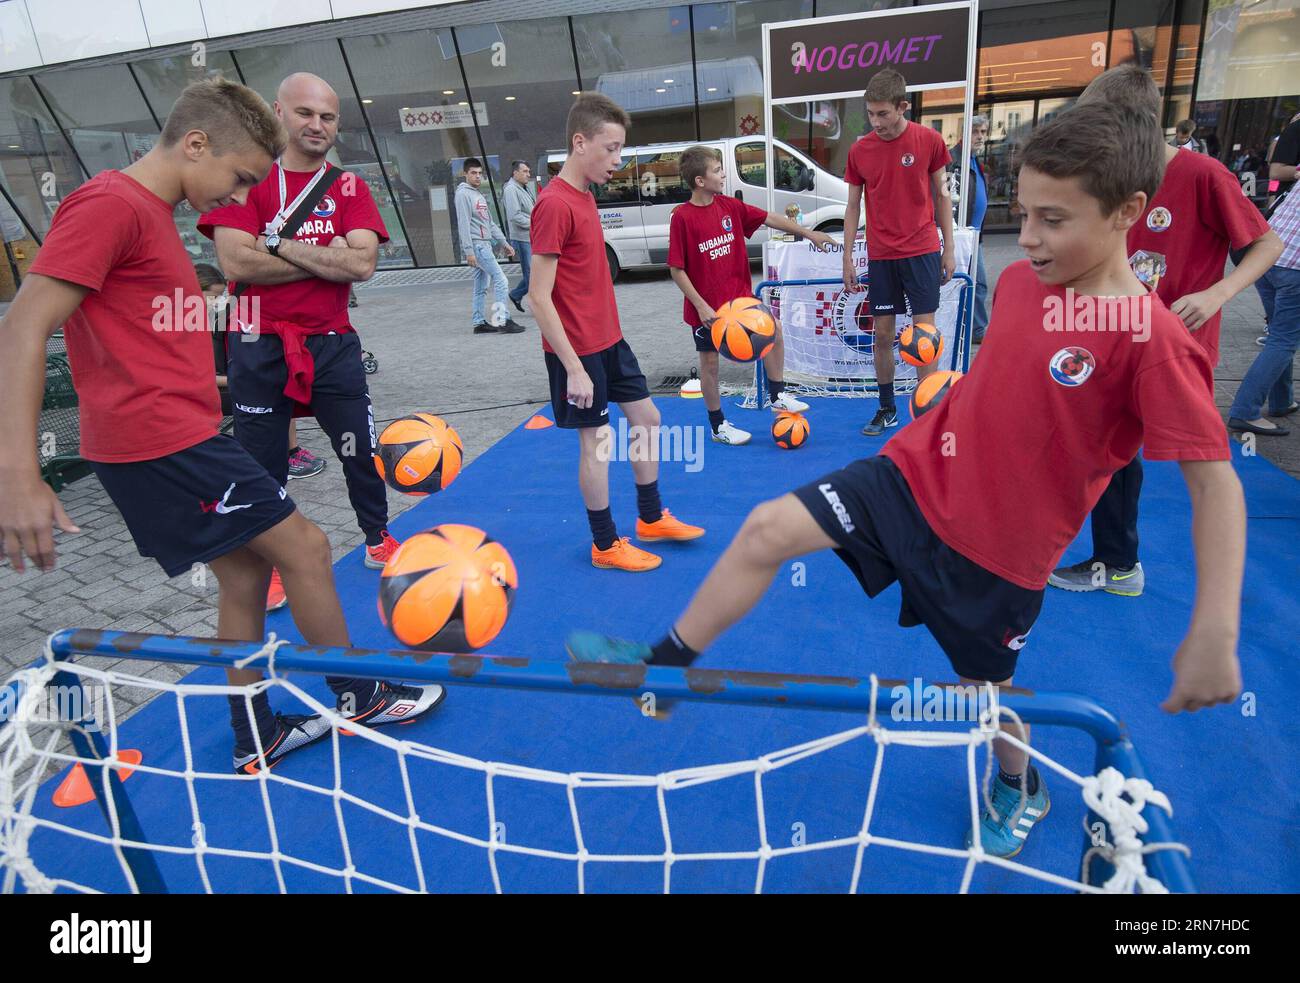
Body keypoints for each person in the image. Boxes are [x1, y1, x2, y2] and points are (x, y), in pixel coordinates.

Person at [568, 101, 1245, 858]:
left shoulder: (1152, 340)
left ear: (1129, 213)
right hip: (910, 480)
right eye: (1022, 214)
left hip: (1000, 553)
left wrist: (1215, 626)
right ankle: (663, 669)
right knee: (765, 529)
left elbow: (1216, 483)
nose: (1025, 238)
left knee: (988, 702)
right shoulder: (1021, 284)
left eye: (1053, 220)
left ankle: (1016, 782)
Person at [0, 78, 443, 776]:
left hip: (178, 430)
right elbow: (23, 326)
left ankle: (255, 732)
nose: (238, 200)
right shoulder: (109, 204)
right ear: (196, 143)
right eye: (238, 179)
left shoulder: (144, 210)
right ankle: (357, 693)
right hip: (162, 443)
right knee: (308, 547)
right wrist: (18, 473)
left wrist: (222, 384)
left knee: (244, 577)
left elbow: (134, 342)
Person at [1048, 65, 1281, 597]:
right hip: (1113, 334)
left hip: (1173, 345)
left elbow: (1267, 244)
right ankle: (1113, 557)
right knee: (1104, 443)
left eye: (1104, 127)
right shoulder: (1114, 173)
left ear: (1137, 124)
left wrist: (1217, 292)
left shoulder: (1203, 175)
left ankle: (1120, 562)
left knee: (1134, 449)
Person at [200, 72, 401, 613]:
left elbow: (362, 262)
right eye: (306, 113)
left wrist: (274, 242)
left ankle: (378, 539)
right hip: (258, 344)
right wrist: (322, 259)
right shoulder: (243, 179)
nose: (317, 125)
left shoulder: (350, 187)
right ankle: (267, 567)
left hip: (333, 343)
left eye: (328, 116)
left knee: (359, 449)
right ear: (279, 113)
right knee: (263, 463)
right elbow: (236, 262)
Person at [529, 93, 705, 572]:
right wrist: (573, 370)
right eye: (611, 148)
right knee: (597, 442)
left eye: (621, 148)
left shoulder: (584, 195)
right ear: (580, 142)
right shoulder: (553, 204)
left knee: (647, 421)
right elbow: (537, 298)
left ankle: (650, 518)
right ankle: (605, 544)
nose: (618, 159)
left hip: (610, 341)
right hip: (577, 353)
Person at [668, 145, 835, 445]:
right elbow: (677, 270)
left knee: (776, 332)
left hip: (742, 302)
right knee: (709, 366)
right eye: (717, 170)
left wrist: (809, 233)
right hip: (708, 311)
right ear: (700, 181)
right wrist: (701, 306)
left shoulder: (730, 206)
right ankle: (718, 426)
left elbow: (770, 218)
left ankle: (777, 395)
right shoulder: (682, 217)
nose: (723, 174)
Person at [840, 69, 955, 436]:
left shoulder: (929, 140)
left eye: (883, 114)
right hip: (881, 255)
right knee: (882, 336)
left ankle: (930, 412)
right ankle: (887, 408)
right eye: (871, 114)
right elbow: (853, 207)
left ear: (903, 106)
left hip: (922, 251)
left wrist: (948, 248)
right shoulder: (860, 150)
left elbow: (942, 197)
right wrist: (847, 257)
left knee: (925, 336)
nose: (877, 122)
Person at [195, 262, 324, 479]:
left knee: (278, 379)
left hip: (224, 381)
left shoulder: (215, 315)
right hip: (211, 390)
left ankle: (288, 452)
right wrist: (238, 378)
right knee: (272, 386)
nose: (218, 301)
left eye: (221, 295)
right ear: (195, 290)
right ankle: (286, 455)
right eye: (214, 296)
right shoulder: (185, 321)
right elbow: (200, 377)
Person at [1228, 187, 1300, 434]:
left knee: (1279, 335)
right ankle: (1245, 411)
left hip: (1267, 259)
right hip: (1295, 269)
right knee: (1283, 339)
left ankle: (1282, 400)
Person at [457, 158, 524, 334]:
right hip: (478, 246)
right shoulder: (463, 194)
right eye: (473, 173)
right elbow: (463, 224)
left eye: (480, 173)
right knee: (501, 280)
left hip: (483, 245)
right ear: (465, 174)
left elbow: (490, 223)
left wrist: (504, 243)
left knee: (481, 287)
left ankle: (479, 323)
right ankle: (502, 320)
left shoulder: (477, 194)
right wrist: (469, 252)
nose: (478, 176)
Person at [947, 114, 990, 342]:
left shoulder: (974, 161)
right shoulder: (955, 160)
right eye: (976, 132)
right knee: (970, 282)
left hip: (975, 235)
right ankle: (973, 329)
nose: (980, 137)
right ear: (965, 133)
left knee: (978, 284)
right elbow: (946, 196)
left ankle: (975, 329)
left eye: (983, 132)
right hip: (961, 234)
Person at [504, 159, 536, 315]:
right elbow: (515, 216)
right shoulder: (511, 189)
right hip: (523, 238)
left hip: (530, 236)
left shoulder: (523, 188)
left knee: (533, 272)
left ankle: (515, 294)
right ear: (515, 172)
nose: (528, 174)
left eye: (528, 171)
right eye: (525, 171)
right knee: (532, 273)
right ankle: (538, 305)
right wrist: (536, 223)